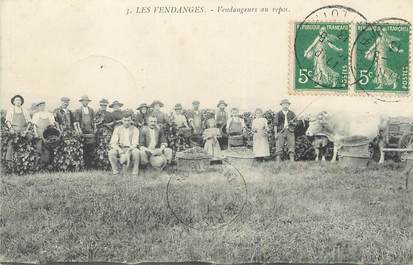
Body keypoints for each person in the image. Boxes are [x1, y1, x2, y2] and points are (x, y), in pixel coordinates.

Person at [5, 95, 32, 162]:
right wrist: (11, 128)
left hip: (24, 131)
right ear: (14, 102)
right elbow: (8, 121)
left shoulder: (25, 110)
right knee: (11, 144)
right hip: (14, 131)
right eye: (16, 100)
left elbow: (29, 122)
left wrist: (26, 131)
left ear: (21, 102)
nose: (18, 101)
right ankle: (9, 161)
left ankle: (28, 160)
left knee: (30, 140)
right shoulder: (10, 110)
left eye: (19, 100)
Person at [74, 95, 96, 169]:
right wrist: (79, 130)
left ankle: (90, 165)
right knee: (84, 149)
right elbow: (76, 122)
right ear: (81, 102)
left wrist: (95, 128)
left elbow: (94, 120)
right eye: (84, 101)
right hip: (83, 132)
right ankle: (85, 166)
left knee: (91, 149)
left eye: (86, 101)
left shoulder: (91, 110)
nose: (85, 102)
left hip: (90, 131)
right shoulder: (78, 110)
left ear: (88, 102)